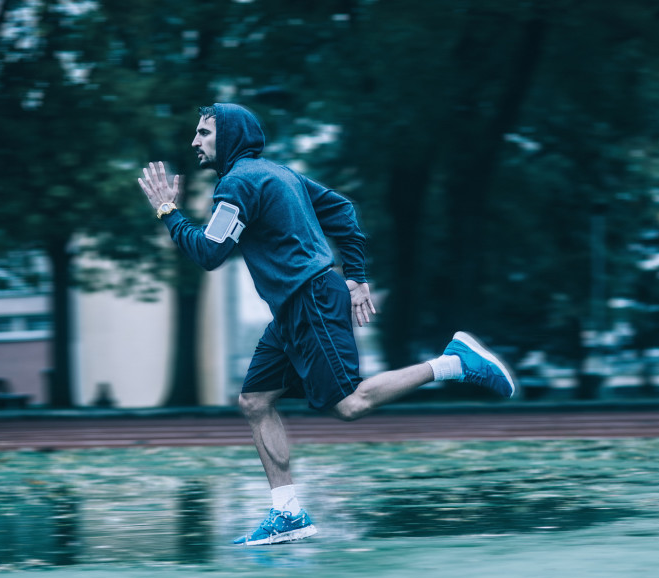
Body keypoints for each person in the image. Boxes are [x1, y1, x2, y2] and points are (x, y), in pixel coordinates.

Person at [138, 103, 517, 545]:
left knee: (349, 404)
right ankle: (288, 514)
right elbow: (343, 210)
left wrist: (169, 212)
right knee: (255, 400)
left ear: (231, 136)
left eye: (204, 133)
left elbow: (208, 253)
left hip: (311, 299)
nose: (194, 142)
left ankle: (455, 362)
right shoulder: (281, 175)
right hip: (296, 307)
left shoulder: (237, 184)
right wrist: (355, 276)